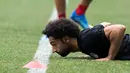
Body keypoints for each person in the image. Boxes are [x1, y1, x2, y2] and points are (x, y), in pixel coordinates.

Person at [43, 18, 130, 61]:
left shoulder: (87, 39)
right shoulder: (83, 42)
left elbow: (119, 29)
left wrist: (109, 57)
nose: (54, 50)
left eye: (54, 44)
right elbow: (105, 24)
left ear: (66, 39)